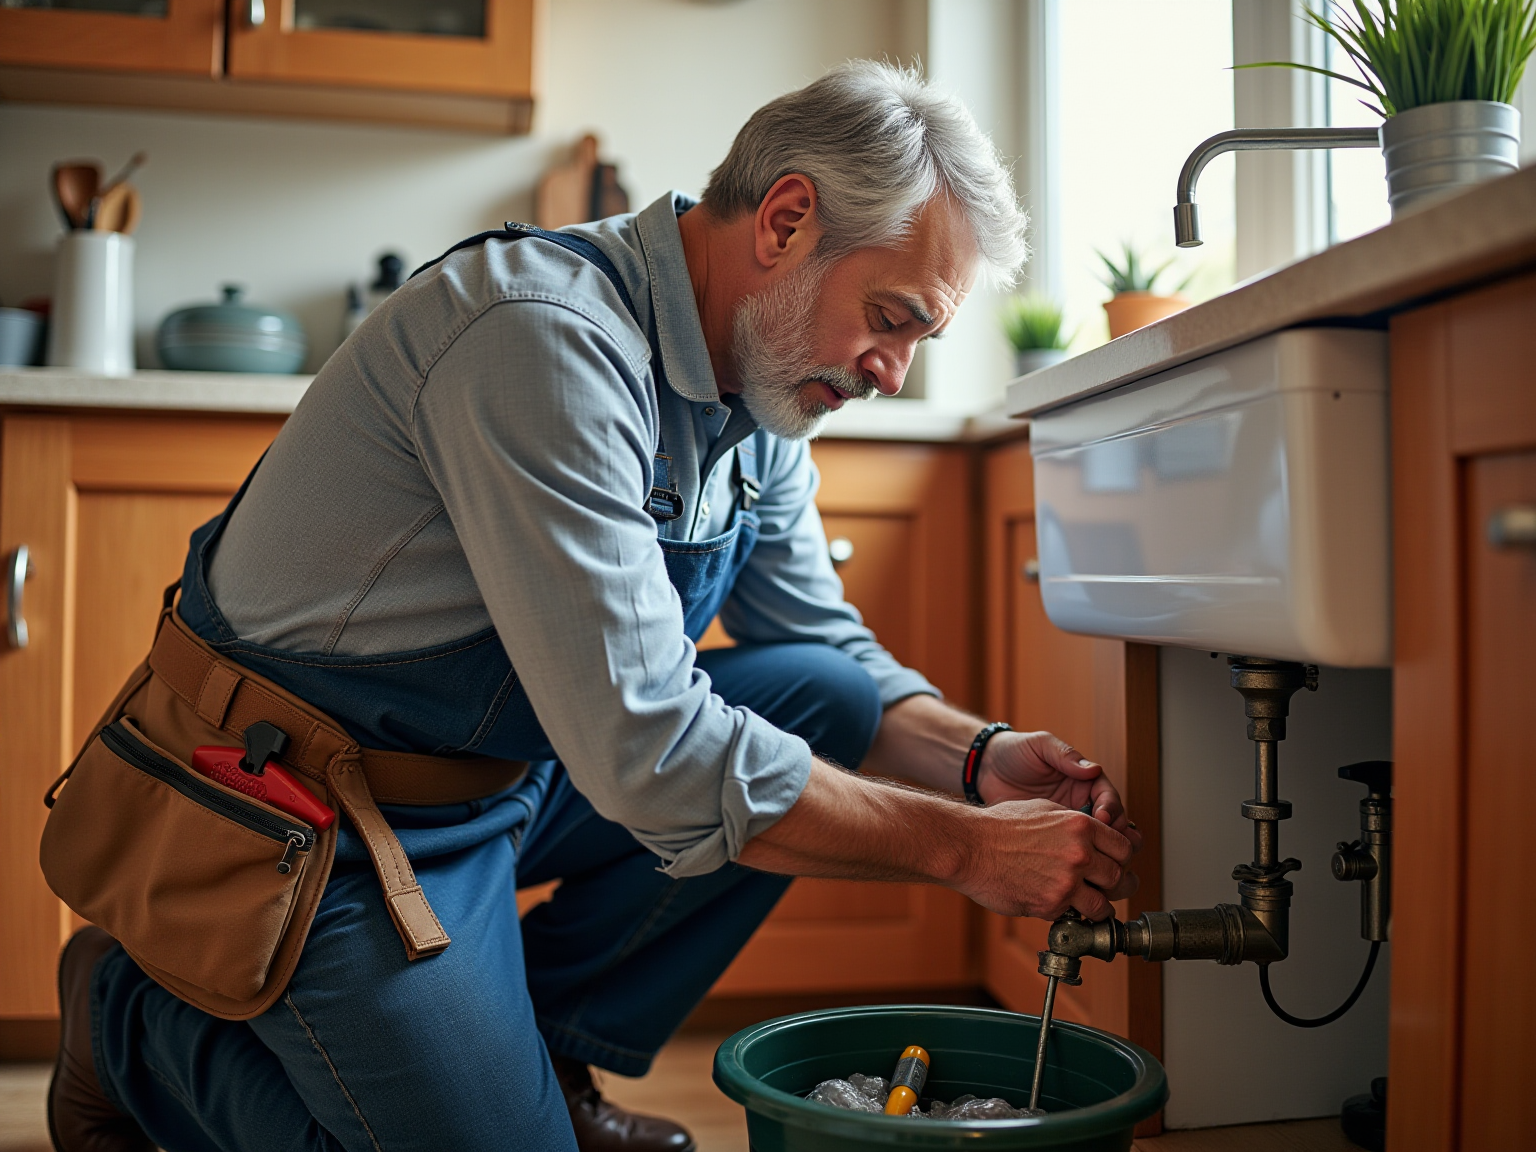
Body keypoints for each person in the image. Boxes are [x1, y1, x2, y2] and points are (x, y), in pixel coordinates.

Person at [49, 61, 1139, 1152]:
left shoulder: (762, 390)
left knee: (823, 696)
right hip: (310, 816)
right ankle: (128, 1023)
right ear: (788, 221)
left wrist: (975, 756)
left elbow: (814, 639)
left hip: (502, 778)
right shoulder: (543, 339)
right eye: (890, 318)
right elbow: (654, 754)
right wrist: (966, 850)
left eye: (918, 340)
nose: (892, 371)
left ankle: (548, 1056)